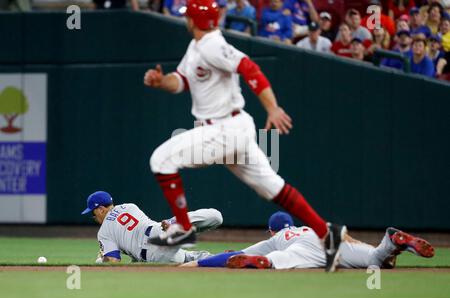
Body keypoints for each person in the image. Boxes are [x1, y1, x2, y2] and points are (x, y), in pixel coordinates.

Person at [143, 0, 347, 272]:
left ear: (195, 20)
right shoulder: (197, 47)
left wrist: (272, 107)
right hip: (230, 130)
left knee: (161, 160)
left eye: (188, 15)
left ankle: (182, 227)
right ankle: (327, 233)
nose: (185, 19)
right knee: (273, 188)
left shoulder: (212, 44)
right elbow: (181, 80)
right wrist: (162, 81)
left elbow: (249, 67)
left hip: (224, 128)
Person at [181, 211, 435, 270]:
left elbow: (234, 255)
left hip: (303, 249)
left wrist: (197, 264)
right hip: (328, 234)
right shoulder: (302, 226)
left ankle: (262, 264)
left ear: (271, 230)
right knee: (375, 261)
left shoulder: (278, 236)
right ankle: (391, 242)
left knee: (272, 260)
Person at [81, 191, 223, 263]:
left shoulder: (104, 232)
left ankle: (223, 259)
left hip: (153, 255)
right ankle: (174, 224)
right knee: (216, 216)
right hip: (158, 231)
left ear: (100, 209)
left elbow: (114, 261)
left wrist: (104, 258)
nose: (94, 218)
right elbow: (132, 235)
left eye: (93, 214)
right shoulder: (130, 206)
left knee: (187, 259)